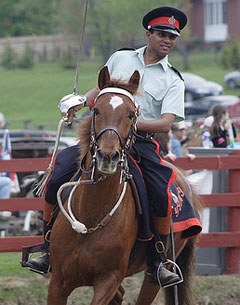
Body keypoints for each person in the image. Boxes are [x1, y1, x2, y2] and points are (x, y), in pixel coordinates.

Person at [26, 6, 189, 287]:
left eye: (172, 37)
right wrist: (79, 101)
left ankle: (158, 260)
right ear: (148, 34)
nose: (167, 41)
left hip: (139, 142)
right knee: (59, 170)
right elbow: (101, 92)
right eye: (162, 34)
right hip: (100, 135)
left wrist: (126, 123)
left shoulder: (172, 79)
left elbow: (165, 123)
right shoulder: (121, 57)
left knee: (160, 191)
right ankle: (46, 246)